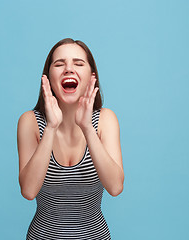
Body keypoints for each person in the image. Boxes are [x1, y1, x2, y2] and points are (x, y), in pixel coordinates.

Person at [17, 38, 124, 239]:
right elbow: (29, 191)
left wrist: (87, 128)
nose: (68, 69)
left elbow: (115, 187)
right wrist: (50, 127)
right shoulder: (29, 122)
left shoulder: (106, 120)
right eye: (59, 64)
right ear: (47, 78)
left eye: (78, 63)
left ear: (92, 76)